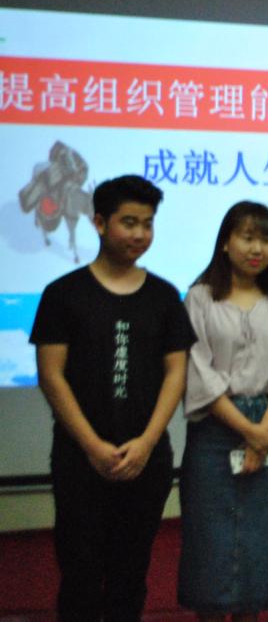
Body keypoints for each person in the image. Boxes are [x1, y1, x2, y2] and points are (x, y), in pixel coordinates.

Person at [31, 174, 195, 621]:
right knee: (80, 574)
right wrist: (92, 445)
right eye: (129, 222)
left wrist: (147, 442)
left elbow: (176, 372)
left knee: (131, 573)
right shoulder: (63, 294)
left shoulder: (164, 296)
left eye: (147, 223)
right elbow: (51, 375)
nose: (140, 234)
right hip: (79, 458)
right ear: (100, 223)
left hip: (147, 458)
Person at [177, 201, 268, 621]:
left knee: (259, 539)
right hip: (215, 431)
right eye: (248, 238)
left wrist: (264, 430)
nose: (257, 248)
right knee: (210, 540)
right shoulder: (199, 298)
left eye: (266, 240)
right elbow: (196, 370)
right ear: (225, 243)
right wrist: (248, 431)